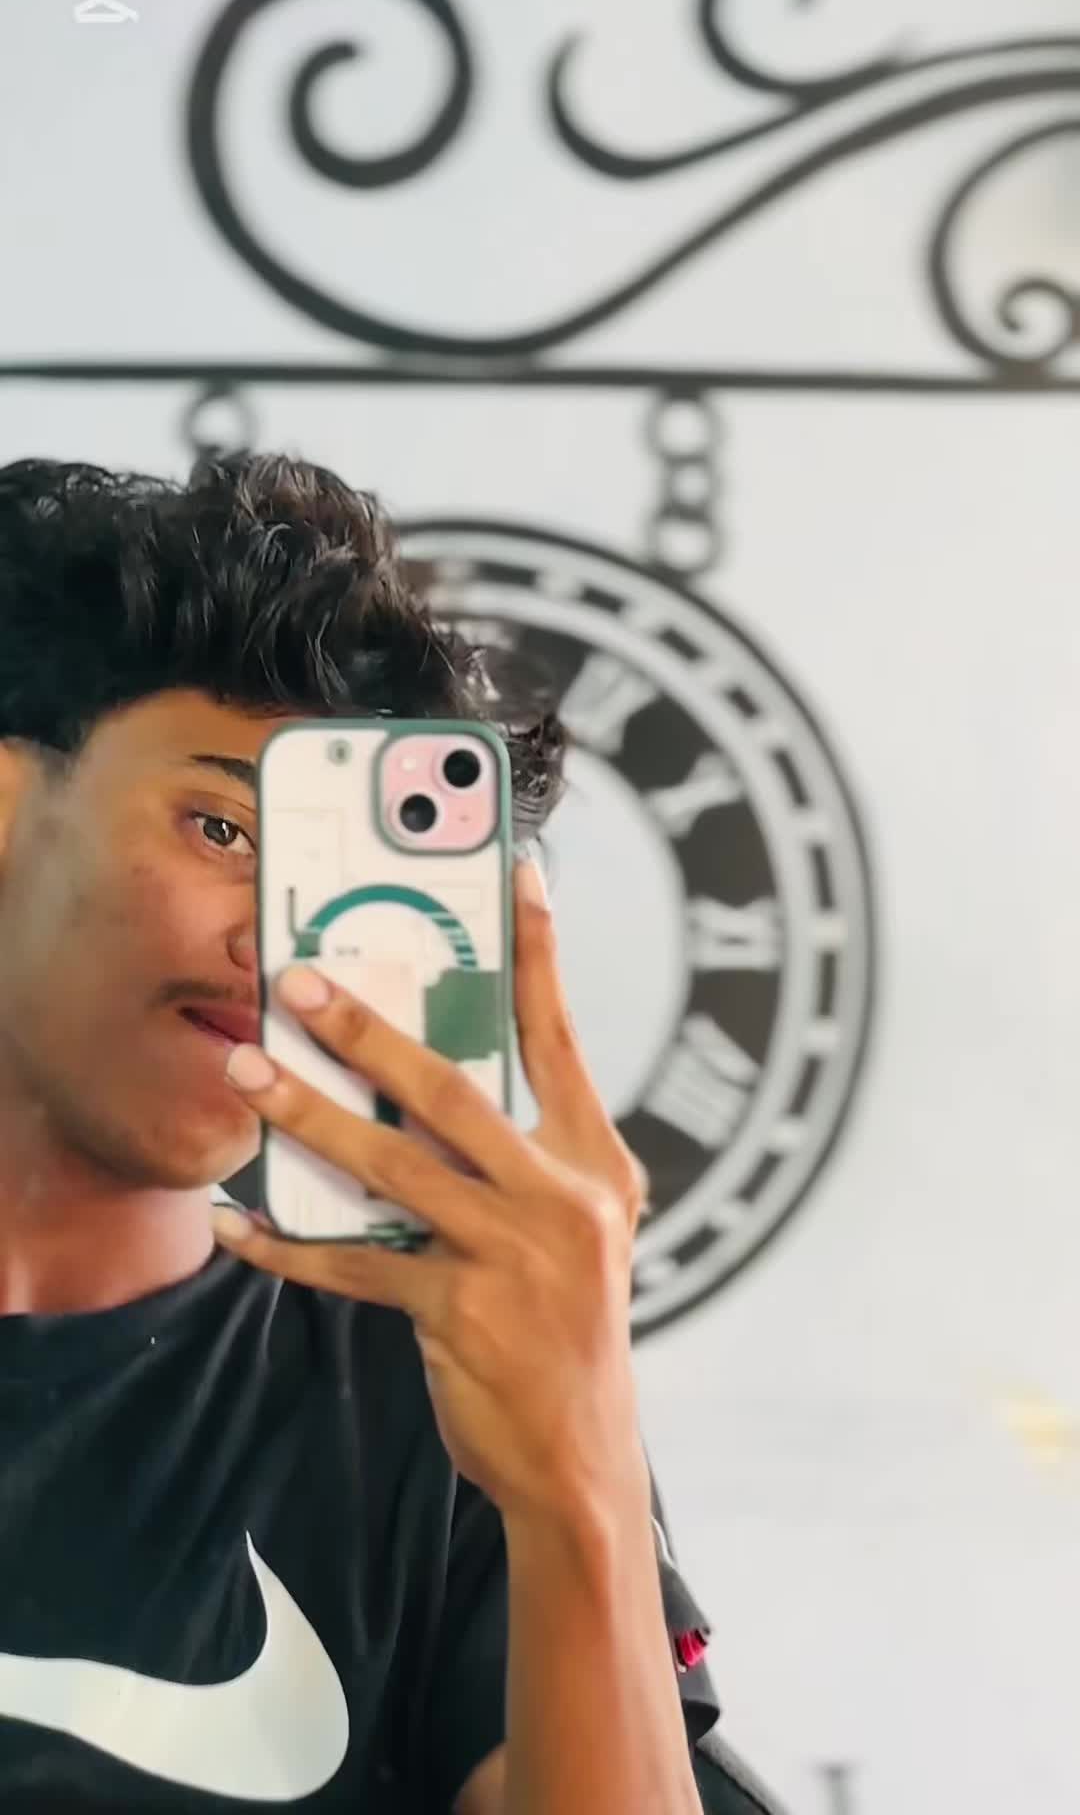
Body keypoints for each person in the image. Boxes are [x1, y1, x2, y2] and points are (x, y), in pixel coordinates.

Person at [0, 452, 772, 1814]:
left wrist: (580, 1483)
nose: (283, 942)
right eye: (223, 827)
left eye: (340, 887)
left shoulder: (433, 1392)